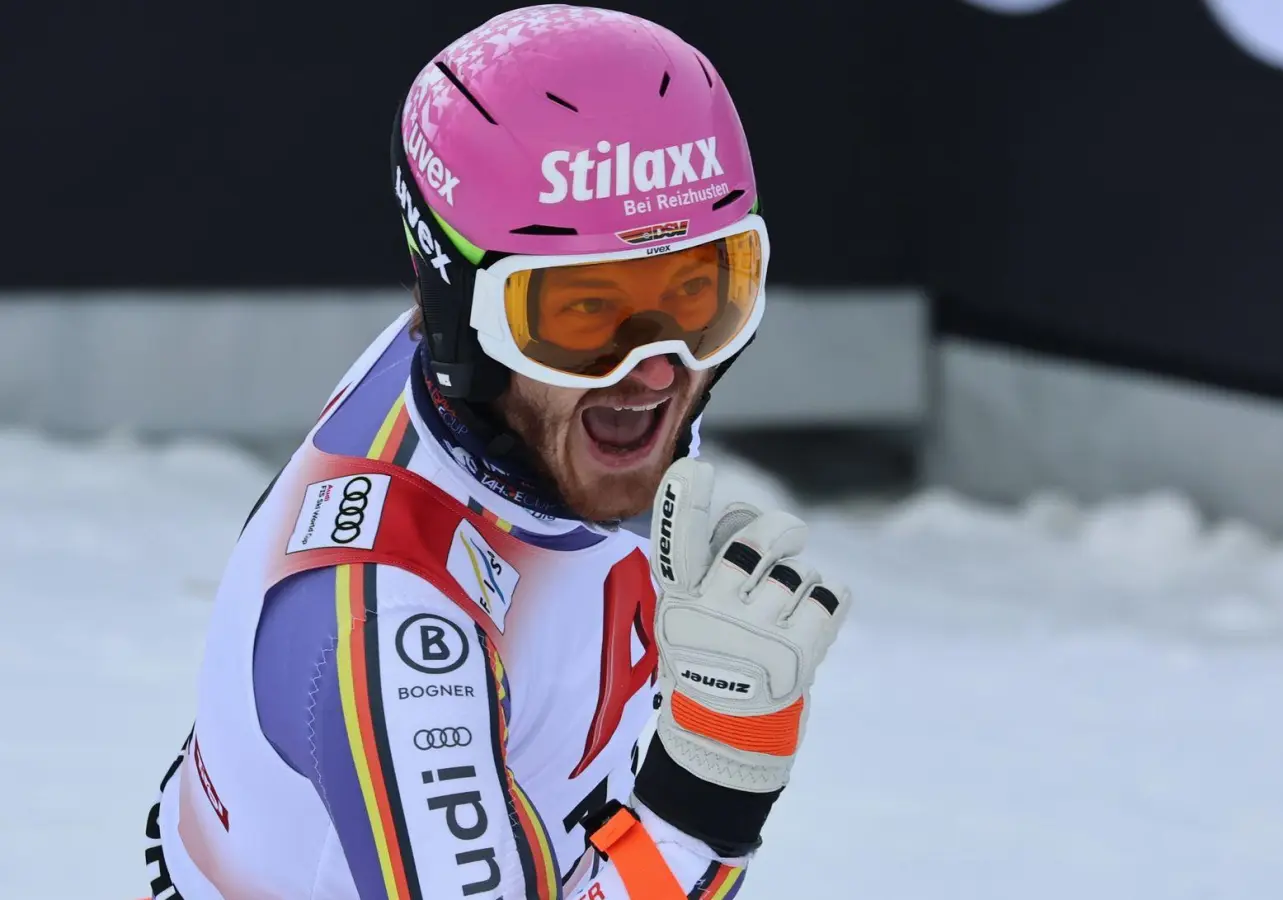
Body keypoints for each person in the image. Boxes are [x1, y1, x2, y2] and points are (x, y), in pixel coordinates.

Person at [144, 7, 850, 898]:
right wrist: (708, 791)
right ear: (458, 309)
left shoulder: (520, 396)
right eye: (586, 311)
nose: (656, 371)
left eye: (701, 293)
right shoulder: (394, 632)